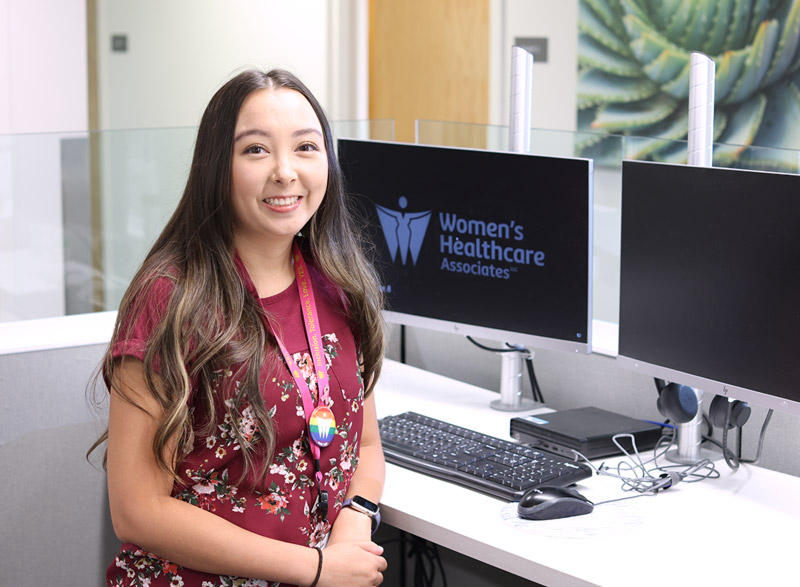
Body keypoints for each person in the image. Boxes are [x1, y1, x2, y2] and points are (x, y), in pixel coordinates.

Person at [89, 68, 388, 587]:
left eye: (306, 148)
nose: (285, 172)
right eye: (255, 150)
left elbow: (363, 445)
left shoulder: (340, 286)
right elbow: (136, 510)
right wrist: (316, 569)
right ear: (216, 167)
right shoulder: (172, 298)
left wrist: (353, 522)